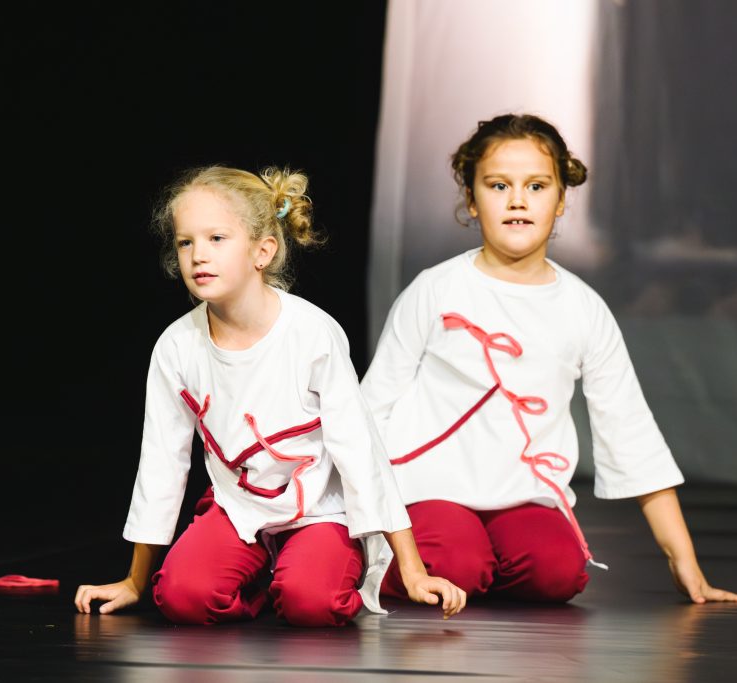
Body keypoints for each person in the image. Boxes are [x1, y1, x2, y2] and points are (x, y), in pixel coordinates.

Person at [361, 114, 737, 605]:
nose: (518, 200)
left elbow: (629, 428)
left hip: (523, 494)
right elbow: (372, 408)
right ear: (472, 200)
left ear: (561, 200)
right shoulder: (435, 290)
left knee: (558, 573)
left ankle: (483, 565)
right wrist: (358, 517)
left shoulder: (582, 307)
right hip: (428, 489)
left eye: (537, 186)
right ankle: (415, 566)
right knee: (457, 563)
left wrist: (683, 560)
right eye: (499, 185)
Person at [75, 165, 466, 626]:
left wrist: (413, 569)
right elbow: (162, 463)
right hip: (239, 507)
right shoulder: (176, 347)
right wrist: (135, 582)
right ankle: (260, 579)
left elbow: (361, 453)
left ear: (262, 251)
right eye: (185, 242)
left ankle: (308, 567)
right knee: (183, 597)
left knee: (312, 604)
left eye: (217, 238)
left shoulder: (313, 334)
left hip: (319, 508)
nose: (198, 255)